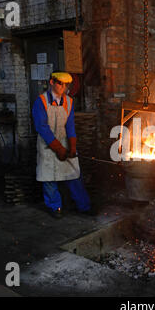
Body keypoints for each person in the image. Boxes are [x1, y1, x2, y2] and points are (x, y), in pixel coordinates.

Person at [32, 71, 92, 219]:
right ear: (52, 82)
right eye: (60, 83)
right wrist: (58, 148)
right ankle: (54, 207)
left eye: (66, 84)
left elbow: (70, 126)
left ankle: (84, 206)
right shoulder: (41, 101)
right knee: (49, 177)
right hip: (47, 144)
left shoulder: (69, 102)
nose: (63, 87)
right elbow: (42, 127)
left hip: (64, 140)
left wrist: (71, 146)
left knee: (74, 174)